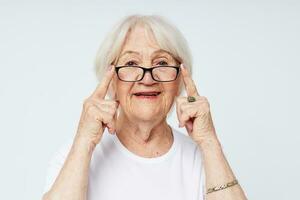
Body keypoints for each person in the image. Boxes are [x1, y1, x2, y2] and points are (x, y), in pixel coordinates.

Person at [42, 14, 247, 200]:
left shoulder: (202, 158)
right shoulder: (74, 154)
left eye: (161, 63)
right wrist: (84, 141)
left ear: (180, 81)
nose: (148, 78)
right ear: (111, 80)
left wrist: (209, 142)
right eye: (131, 63)